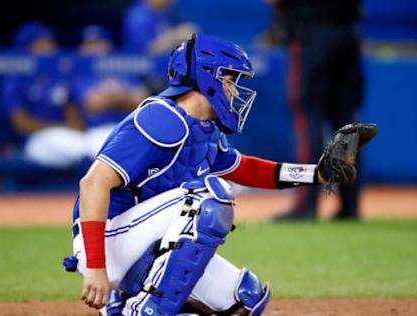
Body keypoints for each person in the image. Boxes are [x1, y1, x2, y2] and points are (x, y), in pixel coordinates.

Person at [63, 33, 368, 315]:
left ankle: (125, 303)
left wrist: (319, 174)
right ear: (208, 77)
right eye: (230, 79)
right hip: (107, 240)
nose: (235, 90)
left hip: (141, 244)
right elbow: (92, 184)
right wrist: (97, 268)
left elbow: (247, 169)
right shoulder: (160, 117)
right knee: (208, 197)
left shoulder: (204, 131)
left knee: (244, 298)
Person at [267, 0, 365, 220]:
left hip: (312, 32)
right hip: (349, 32)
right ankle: (350, 207)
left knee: (307, 119)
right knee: (347, 122)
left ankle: (306, 206)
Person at [1, 21, 85, 168]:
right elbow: (22, 124)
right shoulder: (16, 80)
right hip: (32, 141)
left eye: (50, 42)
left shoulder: (59, 77)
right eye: (41, 44)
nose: (49, 48)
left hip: (66, 136)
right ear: (26, 49)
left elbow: (75, 118)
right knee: (78, 149)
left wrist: (68, 128)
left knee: (89, 146)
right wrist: (60, 127)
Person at [71, 24, 149, 159]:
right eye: (88, 44)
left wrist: (110, 98)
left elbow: (142, 101)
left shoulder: (121, 66)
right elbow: (94, 103)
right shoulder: (81, 72)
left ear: (108, 45)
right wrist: (124, 96)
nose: (93, 48)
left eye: (98, 43)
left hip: (129, 128)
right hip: (96, 130)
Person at [122, 0, 197, 55]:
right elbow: (148, 51)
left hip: (162, 70)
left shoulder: (166, 13)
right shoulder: (138, 17)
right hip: (137, 72)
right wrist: (175, 36)